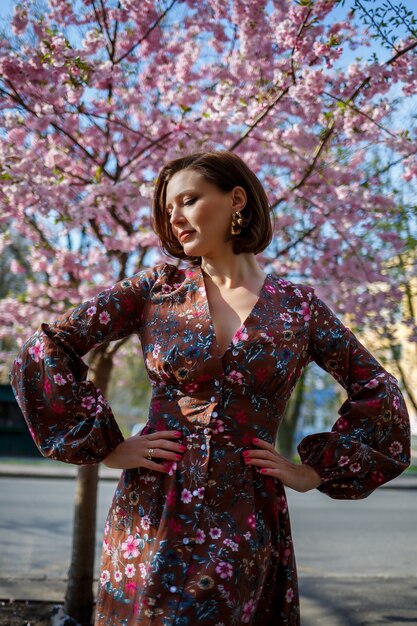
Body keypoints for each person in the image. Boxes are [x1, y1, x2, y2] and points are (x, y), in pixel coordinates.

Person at [9, 150, 410, 626]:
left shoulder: (298, 307)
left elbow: (376, 388)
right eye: (167, 209)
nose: (174, 217)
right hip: (153, 505)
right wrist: (108, 448)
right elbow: (47, 347)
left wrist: (313, 472)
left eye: (189, 200)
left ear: (235, 200)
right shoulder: (154, 288)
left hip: (246, 510)